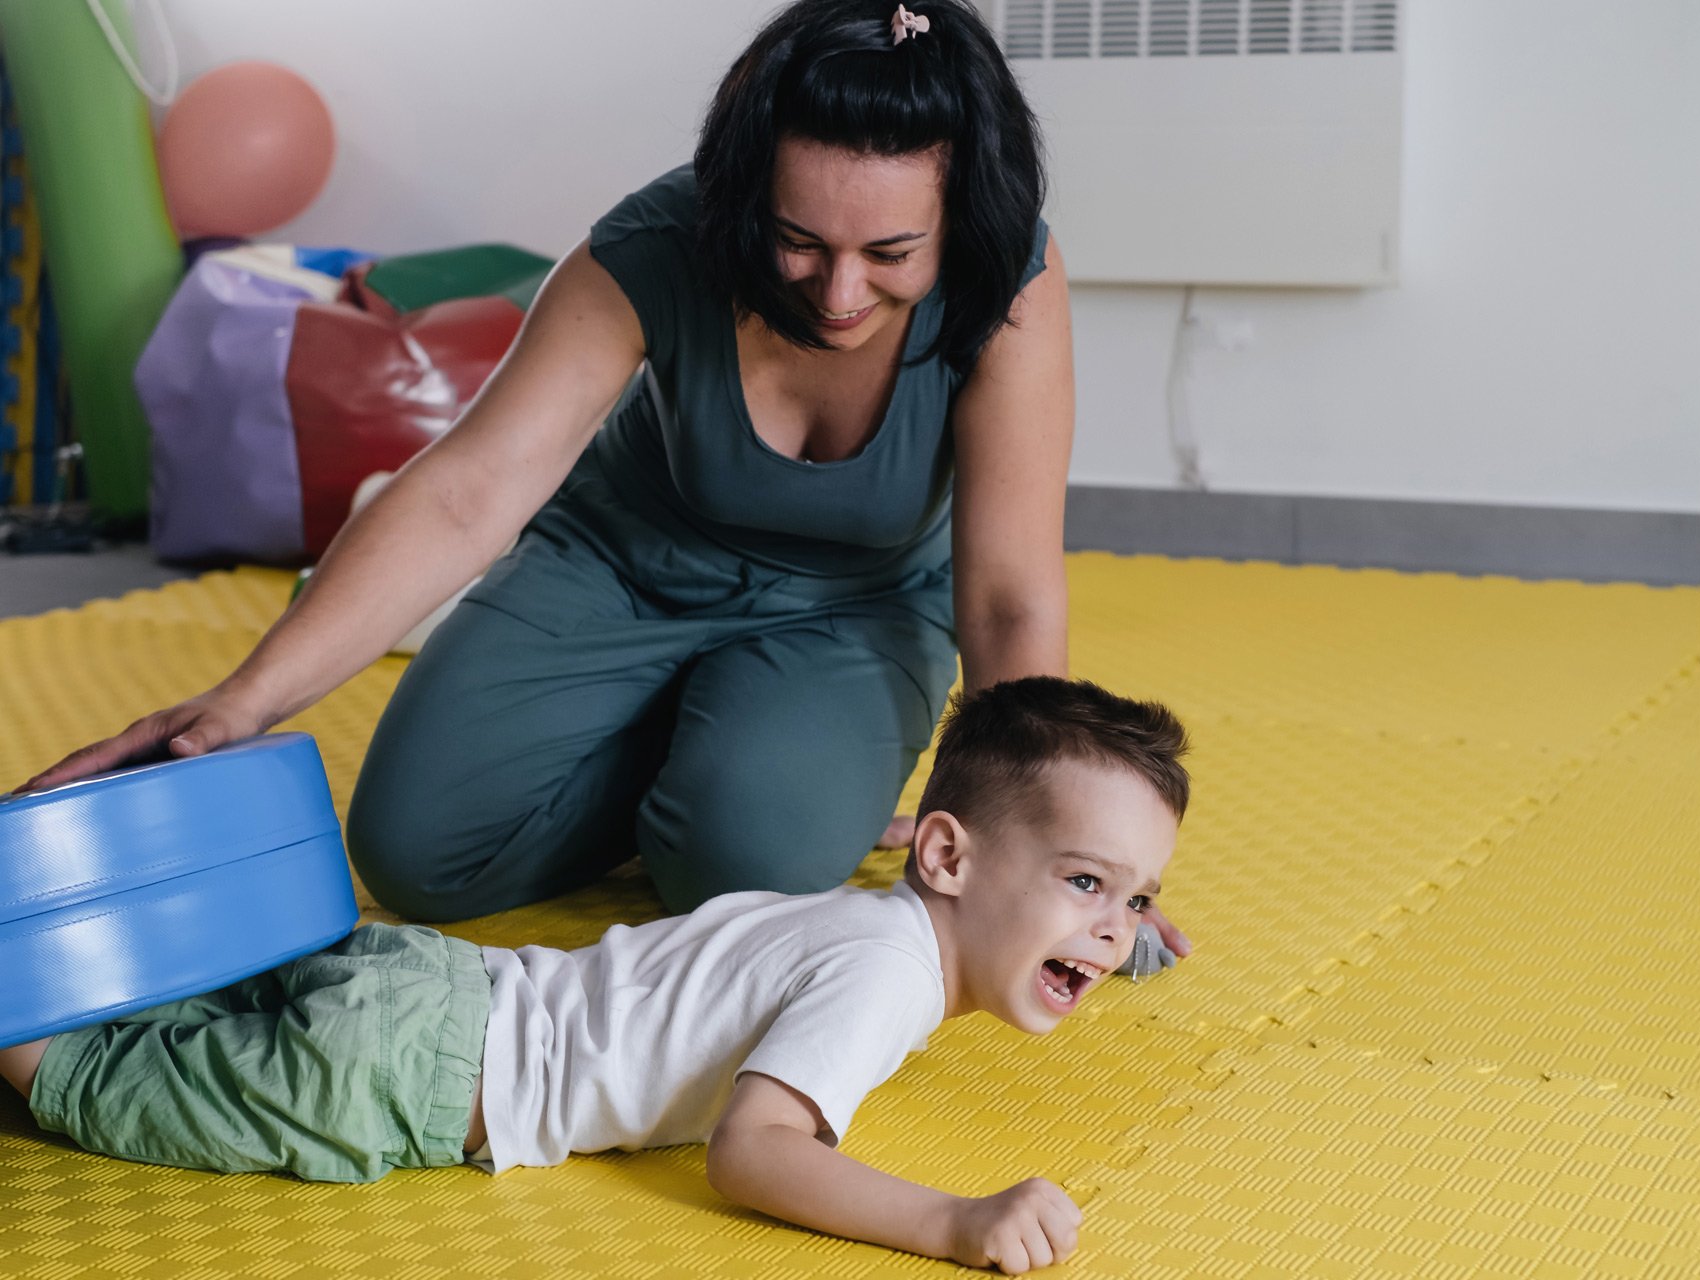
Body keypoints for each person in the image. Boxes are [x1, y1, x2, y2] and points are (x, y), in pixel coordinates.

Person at [14, 0, 1187, 959]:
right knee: (418, 856)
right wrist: (239, 703)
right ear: (743, 196)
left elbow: (1007, 597)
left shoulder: (1010, 280)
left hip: (857, 605)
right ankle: (701, 740)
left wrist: (1051, 857)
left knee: (744, 870)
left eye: (888, 255)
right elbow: (469, 489)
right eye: (797, 241)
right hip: (622, 563)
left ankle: (747, 764)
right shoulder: (653, 245)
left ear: (954, 217)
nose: (836, 292)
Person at [0, 677, 1190, 1276]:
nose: (1109, 929)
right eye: (1088, 886)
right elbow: (757, 1149)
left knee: (157, 984)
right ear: (943, 852)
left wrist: (1109, 921)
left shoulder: (867, 914)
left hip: (435, 979)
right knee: (87, 1074)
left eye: (1131, 898)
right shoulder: (885, 981)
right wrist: (952, 1217)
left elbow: (1033, 906)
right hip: (417, 1076)